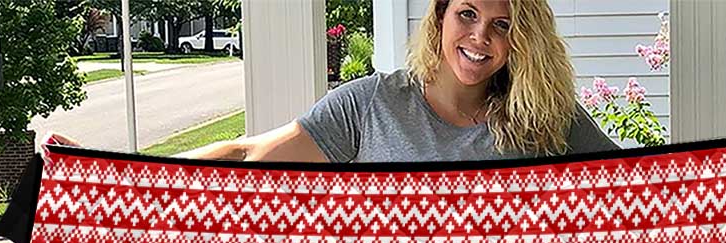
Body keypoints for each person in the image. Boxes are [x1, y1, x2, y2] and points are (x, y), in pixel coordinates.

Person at [47, 0, 617, 163]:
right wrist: (111, 167)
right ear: (440, 17)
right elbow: (251, 153)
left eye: (502, 25)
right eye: (466, 14)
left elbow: (637, 191)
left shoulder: (545, 118)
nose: (479, 37)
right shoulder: (371, 104)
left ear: (522, 40)